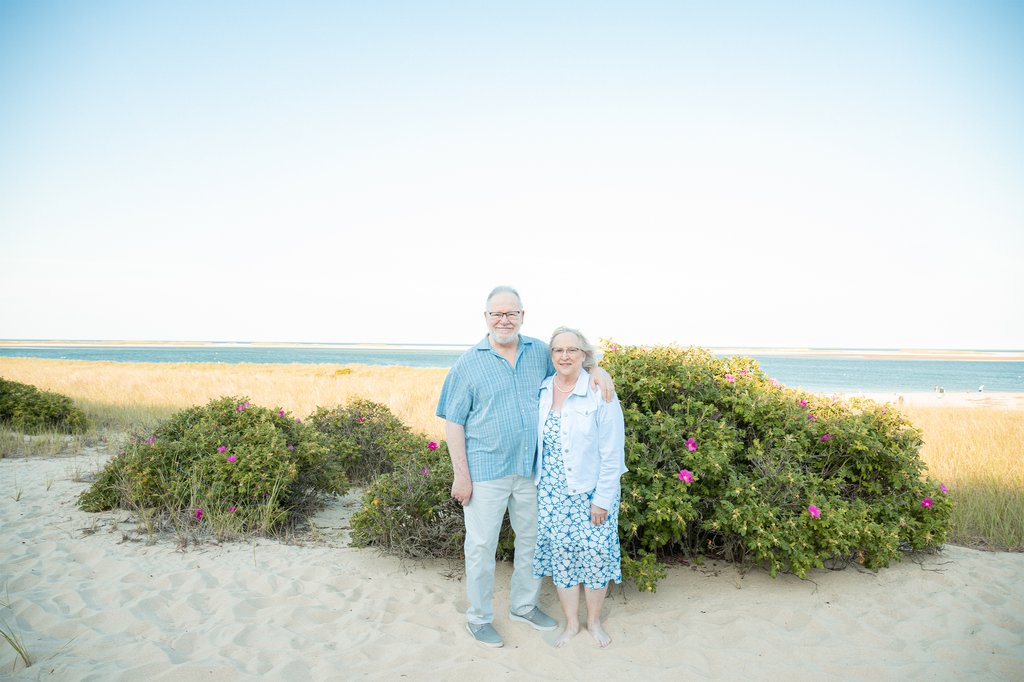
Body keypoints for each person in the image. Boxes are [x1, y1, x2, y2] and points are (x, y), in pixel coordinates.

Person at [436, 286, 615, 648]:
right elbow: (453, 422)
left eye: (511, 313)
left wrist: (600, 371)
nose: (504, 320)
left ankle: (523, 605)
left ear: (522, 315)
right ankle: (479, 618)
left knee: (532, 542)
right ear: (485, 318)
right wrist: (461, 475)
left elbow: (572, 365)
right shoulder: (468, 364)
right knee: (482, 546)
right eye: (496, 314)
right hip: (485, 471)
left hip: (532, 471)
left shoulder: (539, 352)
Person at [533, 326, 627, 648]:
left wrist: (602, 499)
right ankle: (572, 623)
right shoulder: (544, 389)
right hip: (552, 494)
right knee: (563, 559)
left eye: (572, 349)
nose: (564, 355)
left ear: (584, 354)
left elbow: (613, 453)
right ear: (552, 356)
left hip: (591, 493)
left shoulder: (600, 391)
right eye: (558, 350)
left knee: (596, 557)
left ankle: (594, 622)